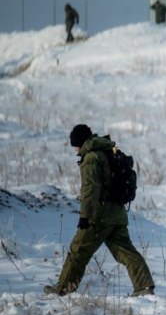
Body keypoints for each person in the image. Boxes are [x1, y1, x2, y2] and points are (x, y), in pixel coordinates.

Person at [44, 125, 155, 297]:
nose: (74, 149)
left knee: (78, 250)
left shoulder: (91, 157)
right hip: (117, 212)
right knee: (126, 251)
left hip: (100, 215)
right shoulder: (108, 150)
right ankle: (144, 286)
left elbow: (90, 189)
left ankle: (63, 290)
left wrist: (85, 216)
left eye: (74, 145)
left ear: (79, 142)